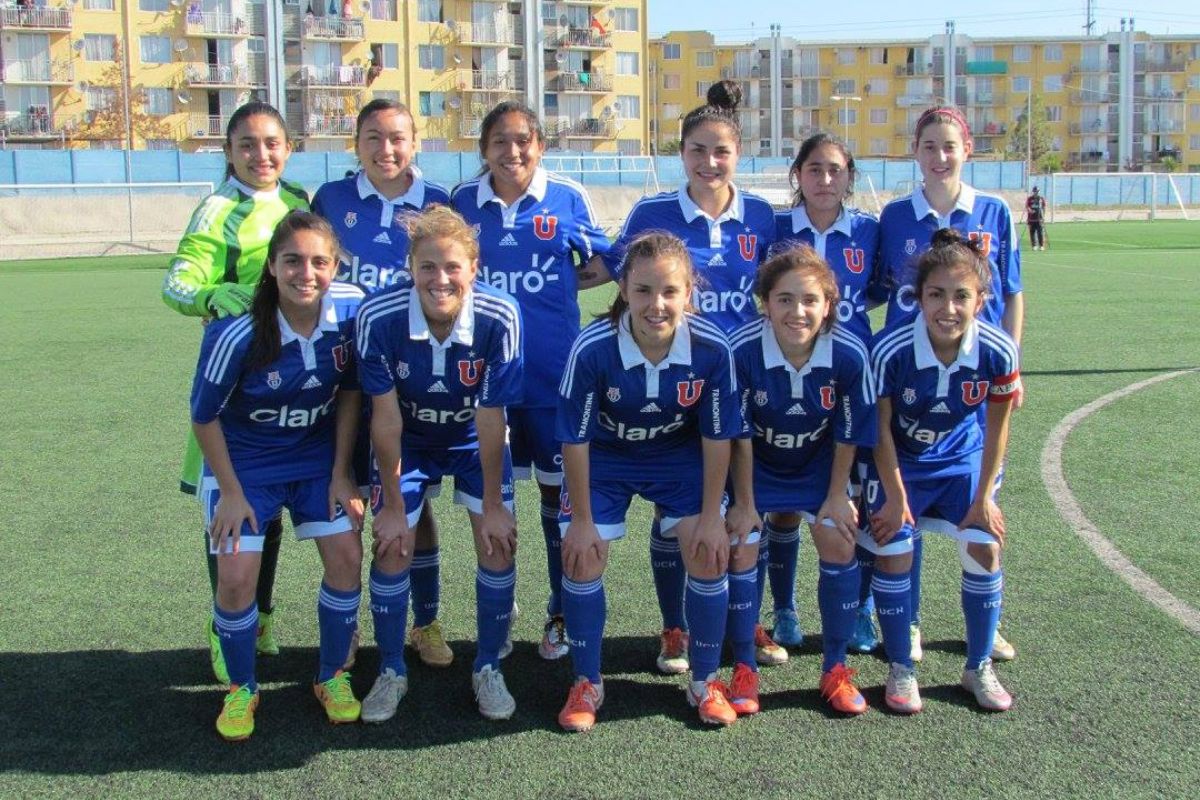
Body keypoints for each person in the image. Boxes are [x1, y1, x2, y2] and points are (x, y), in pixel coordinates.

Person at [602, 80, 778, 672]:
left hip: (741, 381)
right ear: (682, 155)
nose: (709, 163)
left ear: (738, 157)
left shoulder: (761, 216)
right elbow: (619, 280)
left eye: (721, 152)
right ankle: (674, 627)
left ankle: (748, 621)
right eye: (698, 151)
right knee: (676, 508)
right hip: (672, 380)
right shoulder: (652, 213)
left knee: (742, 506)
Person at [555, 231, 743, 732]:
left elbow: (718, 435)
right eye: (643, 291)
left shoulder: (710, 346)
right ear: (622, 288)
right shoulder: (592, 347)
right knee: (582, 553)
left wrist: (709, 516)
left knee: (708, 549)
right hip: (607, 458)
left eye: (669, 292)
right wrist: (582, 521)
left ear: (688, 292)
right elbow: (574, 439)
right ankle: (587, 680)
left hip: (676, 458)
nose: (656, 305)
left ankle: (705, 681)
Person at [191, 211, 366, 740]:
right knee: (238, 576)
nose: (305, 273)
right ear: (271, 267)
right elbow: (204, 416)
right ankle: (242, 688)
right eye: (292, 261)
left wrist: (342, 474)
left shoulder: (350, 313)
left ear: (335, 267)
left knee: (347, 555)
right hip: (245, 466)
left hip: (316, 461)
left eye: (318, 262)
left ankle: (331, 675)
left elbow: (353, 394)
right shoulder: (237, 332)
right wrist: (231, 494)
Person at [450, 101, 611, 663]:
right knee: (492, 492)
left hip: (552, 377)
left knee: (555, 496)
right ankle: (502, 601)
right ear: (484, 149)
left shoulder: (567, 196)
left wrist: (564, 279)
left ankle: (560, 610)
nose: (512, 152)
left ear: (539, 145)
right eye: (499, 141)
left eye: (522, 141)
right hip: (486, 379)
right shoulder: (462, 203)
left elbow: (606, 262)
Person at [355, 206, 524, 722]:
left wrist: (494, 503)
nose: (440, 279)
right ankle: (391, 670)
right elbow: (384, 421)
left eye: (453, 266)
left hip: (474, 441)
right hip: (407, 443)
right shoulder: (378, 317)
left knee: (497, 541)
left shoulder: (500, 316)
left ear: (474, 268)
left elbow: (492, 419)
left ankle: (489, 666)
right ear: (410, 267)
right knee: (389, 545)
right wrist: (386, 503)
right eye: (428, 267)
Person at [161, 101, 310, 685]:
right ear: (228, 152)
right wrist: (208, 297)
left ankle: (262, 617)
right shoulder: (219, 209)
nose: (261, 155)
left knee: (267, 514)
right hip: (235, 388)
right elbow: (178, 281)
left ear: (288, 148)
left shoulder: (299, 199)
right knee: (228, 509)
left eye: (271, 143)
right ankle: (227, 626)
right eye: (247, 145)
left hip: (297, 384)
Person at [312, 99, 457, 670]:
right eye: (373, 137)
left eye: (397, 137)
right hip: (343, 375)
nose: (386, 149)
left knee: (414, 507)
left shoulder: (440, 202)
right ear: (356, 144)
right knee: (345, 500)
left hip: (415, 378)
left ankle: (424, 622)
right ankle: (345, 626)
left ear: (415, 141)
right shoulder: (331, 201)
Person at [876, 106, 1023, 663]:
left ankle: (987, 623)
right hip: (905, 374)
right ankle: (903, 621)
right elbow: (872, 290)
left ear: (967, 151)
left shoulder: (994, 211)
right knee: (898, 510)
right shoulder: (892, 217)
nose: (940, 157)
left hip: (971, 373)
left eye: (950, 146)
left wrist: (1015, 365)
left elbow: (1011, 290)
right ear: (915, 151)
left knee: (980, 511)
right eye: (929, 146)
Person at [863, 228, 1020, 713]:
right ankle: (901, 668)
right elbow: (881, 432)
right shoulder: (890, 349)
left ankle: (977, 666)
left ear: (981, 299)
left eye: (961, 296)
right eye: (936, 295)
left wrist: (984, 498)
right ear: (918, 296)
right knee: (894, 550)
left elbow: (996, 430)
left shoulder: (998, 350)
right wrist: (895, 495)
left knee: (985, 545)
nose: (947, 308)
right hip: (900, 462)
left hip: (960, 460)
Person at [726, 245, 878, 715]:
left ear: (829, 305)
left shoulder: (850, 354)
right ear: (765, 302)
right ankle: (745, 666)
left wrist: (837, 494)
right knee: (742, 545)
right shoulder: (741, 350)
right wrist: (746, 503)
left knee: (839, 541)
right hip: (756, 469)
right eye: (785, 299)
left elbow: (849, 433)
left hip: (818, 469)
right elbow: (737, 435)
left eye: (811, 300)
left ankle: (834, 668)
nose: (798, 311)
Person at [766, 132, 885, 656]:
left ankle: (861, 608)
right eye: (814, 169)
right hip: (789, 375)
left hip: (851, 380)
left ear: (849, 177)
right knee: (786, 506)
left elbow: (878, 291)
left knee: (853, 499)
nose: (825, 179)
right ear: (798, 175)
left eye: (835, 170)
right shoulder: (774, 231)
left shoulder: (869, 231)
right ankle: (785, 608)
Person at [1024, 186, 1047, 251]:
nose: (1036, 193)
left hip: (1039, 219)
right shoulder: (1029, 199)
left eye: (1037, 191)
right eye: (1035, 191)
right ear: (1033, 192)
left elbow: (1044, 207)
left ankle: (1041, 245)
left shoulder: (1041, 199)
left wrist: (1043, 216)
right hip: (1031, 219)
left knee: (1040, 233)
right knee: (1032, 233)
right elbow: (1027, 206)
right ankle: (1034, 245)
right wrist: (1030, 210)